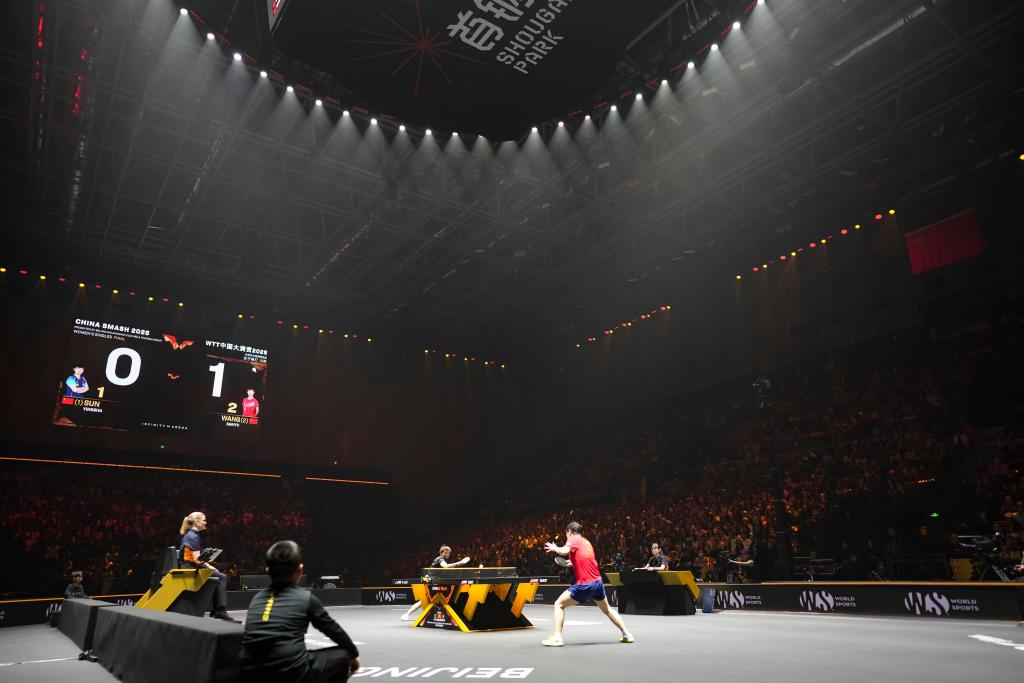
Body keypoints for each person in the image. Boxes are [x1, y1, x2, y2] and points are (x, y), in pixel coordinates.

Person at [241, 541, 360, 682]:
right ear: (300, 570)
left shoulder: (256, 598)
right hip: (291, 673)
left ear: (267, 571)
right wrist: (354, 654)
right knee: (343, 655)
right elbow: (334, 630)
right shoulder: (305, 598)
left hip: (251, 674)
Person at [542, 521, 634, 647]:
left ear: (569, 531)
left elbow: (564, 551)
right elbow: (584, 559)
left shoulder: (573, 539)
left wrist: (555, 548)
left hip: (585, 584)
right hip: (598, 583)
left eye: (566, 534)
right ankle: (627, 634)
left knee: (559, 604)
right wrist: (571, 562)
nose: (567, 536)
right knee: (607, 609)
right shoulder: (586, 542)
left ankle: (557, 638)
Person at [180, 511, 239, 622]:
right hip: (190, 569)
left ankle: (218, 610)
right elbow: (197, 560)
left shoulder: (191, 535)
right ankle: (220, 611)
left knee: (218, 577)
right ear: (196, 522)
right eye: (204, 520)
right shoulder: (193, 536)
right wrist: (209, 566)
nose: (205, 522)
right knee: (222, 577)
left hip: (191, 566)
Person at [400, 545, 472, 621]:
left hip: (434, 580)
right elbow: (446, 566)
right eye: (445, 553)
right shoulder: (440, 559)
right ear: (442, 553)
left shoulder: (444, 559)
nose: (447, 554)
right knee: (425, 600)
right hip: (430, 581)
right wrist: (459, 563)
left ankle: (432, 615)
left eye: (448, 553)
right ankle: (407, 614)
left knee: (429, 600)